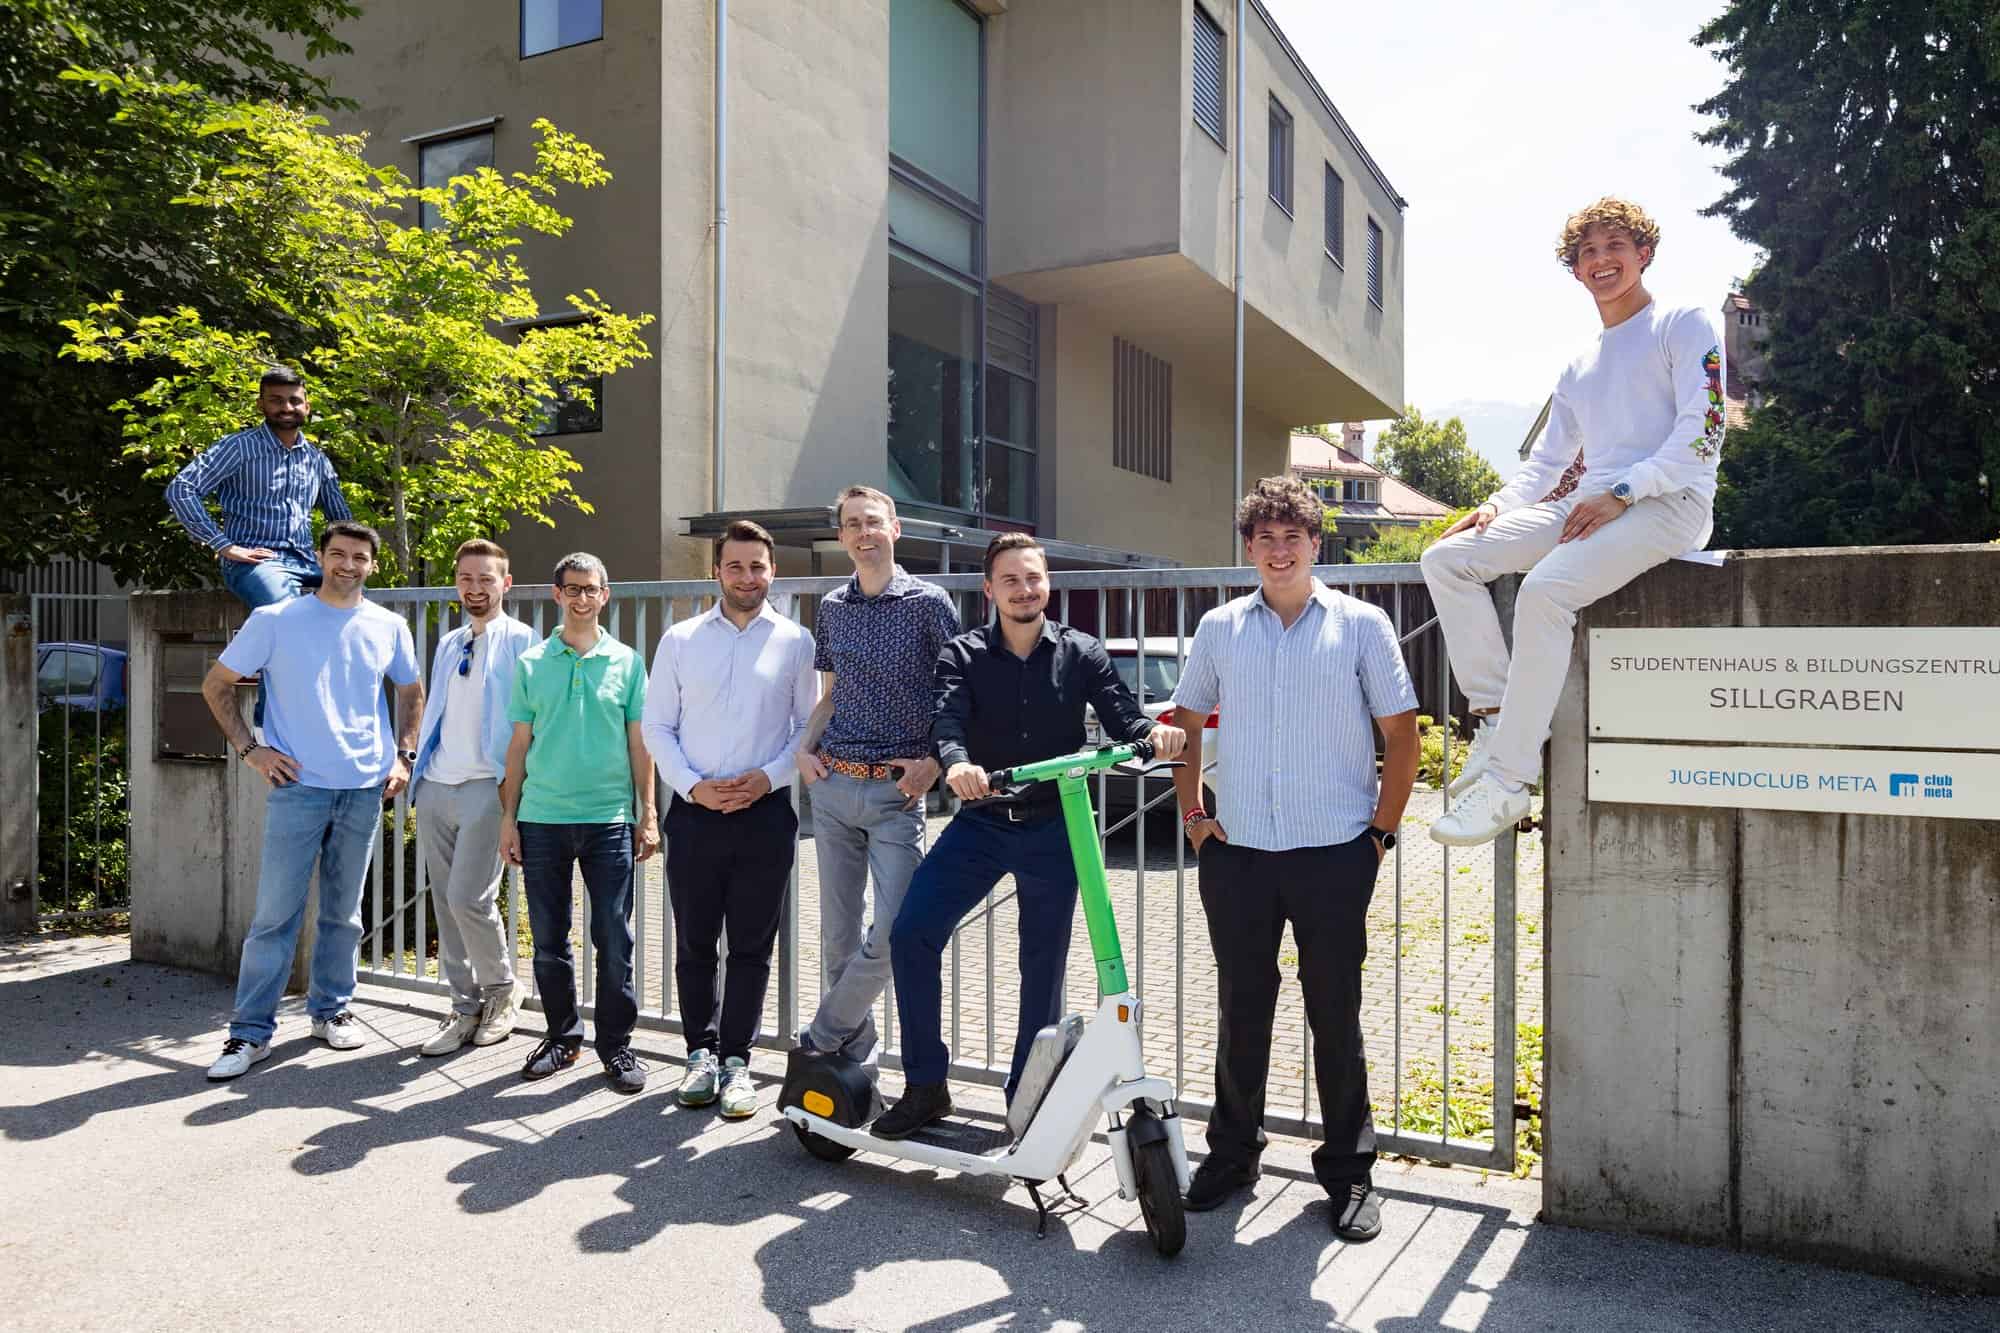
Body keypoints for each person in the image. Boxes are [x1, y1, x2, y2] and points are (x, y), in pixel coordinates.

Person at [1422, 197, 1725, 846]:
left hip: (1669, 502)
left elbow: (1703, 433)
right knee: (1446, 559)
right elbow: (1545, 463)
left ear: (1643, 254)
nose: (1601, 260)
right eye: (1588, 251)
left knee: (1545, 591)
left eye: (1615, 245)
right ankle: (1497, 715)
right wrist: (1496, 507)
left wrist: (1625, 490)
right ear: (1577, 269)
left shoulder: (1683, 322)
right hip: (1588, 505)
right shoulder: (1579, 364)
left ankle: (1508, 781)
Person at [1168, 476, 1419, 1241]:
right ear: (1250, 547)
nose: (1280, 551)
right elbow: (1184, 723)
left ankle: (1348, 1170)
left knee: (1334, 1011)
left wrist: (1379, 835)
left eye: (1293, 537)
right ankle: (1232, 1154)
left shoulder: (1363, 624)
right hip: (1237, 853)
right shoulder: (1220, 628)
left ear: (1316, 543)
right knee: (1241, 1007)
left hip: (1334, 854)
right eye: (1266, 538)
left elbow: (1402, 734)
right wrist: (1194, 817)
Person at [873, 533, 1187, 1139]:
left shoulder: (1081, 652)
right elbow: (947, 720)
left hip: (1054, 826)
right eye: (1011, 580)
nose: (1024, 590)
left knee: (1043, 964)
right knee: (912, 933)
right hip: (982, 821)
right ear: (989, 590)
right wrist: (957, 763)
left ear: (1048, 584)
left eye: (1033, 578)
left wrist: (1153, 733)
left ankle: (1028, 1099)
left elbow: (1123, 716)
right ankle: (925, 1086)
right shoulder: (963, 654)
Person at [199, 521, 422, 1080]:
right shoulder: (276, 619)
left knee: (343, 916)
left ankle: (331, 1011)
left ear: (373, 566)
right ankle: (249, 1034)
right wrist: (251, 750)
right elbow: (216, 685)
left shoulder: (389, 625)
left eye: (360, 557)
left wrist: (403, 756)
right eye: (338, 553)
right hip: (297, 788)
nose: (348, 564)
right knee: (275, 917)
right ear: (320, 558)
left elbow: (411, 689)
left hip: (364, 787)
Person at [643, 520, 817, 1117]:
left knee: (750, 946)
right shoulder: (681, 639)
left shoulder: (796, 642)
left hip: (765, 815)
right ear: (716, 571)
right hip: (695, 815)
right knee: (694, 943)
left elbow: (807, 728)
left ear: (773, 571)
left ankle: (737, 1061)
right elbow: (656, 726)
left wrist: (769, 777)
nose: (747, 577)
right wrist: (692, 787)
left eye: (757, 566)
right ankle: (700, 1054)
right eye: (735, 566)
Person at [792, 486, 958, 1097]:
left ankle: (821, 1034)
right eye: (852, 525)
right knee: (838, 936)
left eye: (873, 522)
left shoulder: (929, 603)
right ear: (841, 537)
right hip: (832, 786)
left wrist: (934, 763)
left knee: (895, 929)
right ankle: (851, 1064)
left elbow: (955, 692)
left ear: (895, 528)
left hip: (896, 796)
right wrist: (804, 749)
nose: (864, 533)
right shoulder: (833, 607)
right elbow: (832, 693)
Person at [498, 553, 659, 1092]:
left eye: (591, 589)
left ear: (605, 595)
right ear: (557, 594)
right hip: (541, 818)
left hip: (609, 818)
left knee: (614, 938)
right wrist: (508, 818)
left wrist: (648, 813)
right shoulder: (531, 663)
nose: (583, 598)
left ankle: (616, 1046)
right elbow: (518, 746)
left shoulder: (628, 662)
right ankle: (562, 1038)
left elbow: (640, 745)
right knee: (549, 940)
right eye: (573, 589)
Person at [407, 539, 535, 1057]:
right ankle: (463, 1006)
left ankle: (502, 990)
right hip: (437, 784)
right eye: (466, 578)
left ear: (506, 584)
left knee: (469, 897)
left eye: (486, 578)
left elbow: (530, 720)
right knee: (445, 902)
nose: (475, 588)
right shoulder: (449, 642)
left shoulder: (523, 641)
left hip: (488, 785)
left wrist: (516, 796)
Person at [166, 366, 354, 609]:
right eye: (276, 400)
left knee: (360, 607)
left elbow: (340, 519)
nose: (287, 407)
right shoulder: (238, 447)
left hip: (308, 562)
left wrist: (354, 554)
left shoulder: (316, 459)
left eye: (295, 401)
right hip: (255, 564)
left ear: (307, 407)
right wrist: (224, 546)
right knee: (288, 613)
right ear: (260, 405)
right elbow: (181, 489)